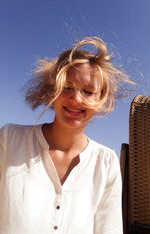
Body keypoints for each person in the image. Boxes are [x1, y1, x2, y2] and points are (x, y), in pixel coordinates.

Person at [0, 36, 132, 234]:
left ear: (101, 99)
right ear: (54, 89)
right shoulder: (9, 140)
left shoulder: (106, 162)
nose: (76, 99)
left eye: (88, 91)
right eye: (67, 88)